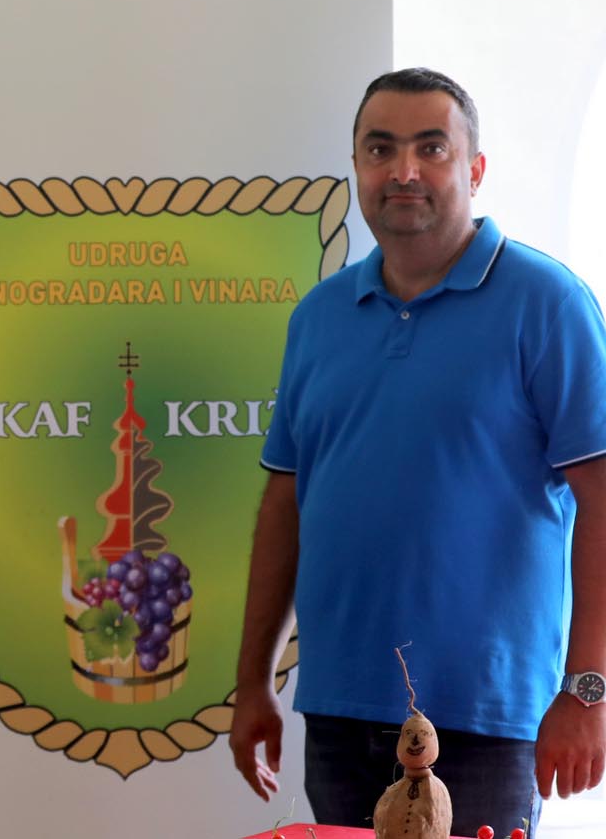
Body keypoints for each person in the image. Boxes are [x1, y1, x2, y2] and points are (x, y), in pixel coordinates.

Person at [229, 67, 606, 836]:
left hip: (487, 721)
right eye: (381, 149)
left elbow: (602, 501)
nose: (404, 170)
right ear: (357, 166)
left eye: (431, 148)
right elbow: (286, 504)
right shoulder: (319, 318)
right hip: (338, 713)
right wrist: (253, 683)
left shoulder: (548, 304)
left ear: (475, 168)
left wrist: (588, 690)